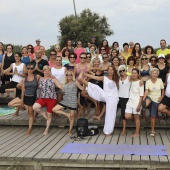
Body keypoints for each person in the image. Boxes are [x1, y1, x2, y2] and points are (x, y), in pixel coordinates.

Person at [78, 66, 119, 137]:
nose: (111, 71)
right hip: (106, 95)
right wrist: (86, 74)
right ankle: (82, 80)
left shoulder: (117, 79)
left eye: (112, 70)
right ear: (107, 71)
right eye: (109, 70)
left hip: (113, 98)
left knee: (110, 114)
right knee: (96, 87)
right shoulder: (104, 78)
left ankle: (108, 131)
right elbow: (95, 77)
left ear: (114, 71)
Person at [52, 70, 83, 136]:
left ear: (72, 76)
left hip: (73, 101)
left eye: (70, 75)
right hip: (65, 101)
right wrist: (54, 79)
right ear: (65, 76)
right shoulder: (64, 83)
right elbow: (58, 85)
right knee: (54, 109)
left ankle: (70, 130)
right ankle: (67, 114)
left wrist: (84, 81)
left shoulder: (76, 82)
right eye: (67, 75)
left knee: (72, 117)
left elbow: (82, 89)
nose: (69, 76)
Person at [33, 66, 57, 135]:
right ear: (43, 71)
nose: (47, 72)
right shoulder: (41, 79)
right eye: (45, 71)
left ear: (50, 71)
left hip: (51, 98)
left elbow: (59, 85)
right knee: (35, 107)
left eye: (48, 70)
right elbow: (38, 88)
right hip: (43, 97)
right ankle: (43, 114)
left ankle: (46, 129)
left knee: (49, 115)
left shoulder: (53, 78)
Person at [142, 68, 164, 137]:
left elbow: (163, 90)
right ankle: (144, 106)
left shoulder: (160, 80)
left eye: (155, 73)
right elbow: (146, 91)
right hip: (150, 97)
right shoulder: (148, 82)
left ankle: (152, 130)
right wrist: (143, 99)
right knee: (147, 101)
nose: (154, 74)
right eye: (153, 73)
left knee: (153, 116)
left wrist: (161, 97)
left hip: (156, 99)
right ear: (150, 74)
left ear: (157, 74)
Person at [125, 68, 144, 137]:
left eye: (135, 73)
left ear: (138, 74)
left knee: (136, 117)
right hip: (130, 101)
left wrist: (139, 106)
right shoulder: (130, 81)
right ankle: (135, 118)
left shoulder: (140, 83)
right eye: (132, 73)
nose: (133, 74)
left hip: (137, 102)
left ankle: (137, 133)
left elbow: (141, 96)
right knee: (127, 116)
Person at [118, 65, 131, 135]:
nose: (122, 72)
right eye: (120, 71)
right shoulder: (118, 79)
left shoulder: (129, 77)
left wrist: (141, 82)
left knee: (125, 114)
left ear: (126, 71)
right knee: (122, 113)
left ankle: (124, 129)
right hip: (119, 97)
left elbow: (137, 80)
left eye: (123, 70)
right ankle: (124, 129)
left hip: (127, 97)